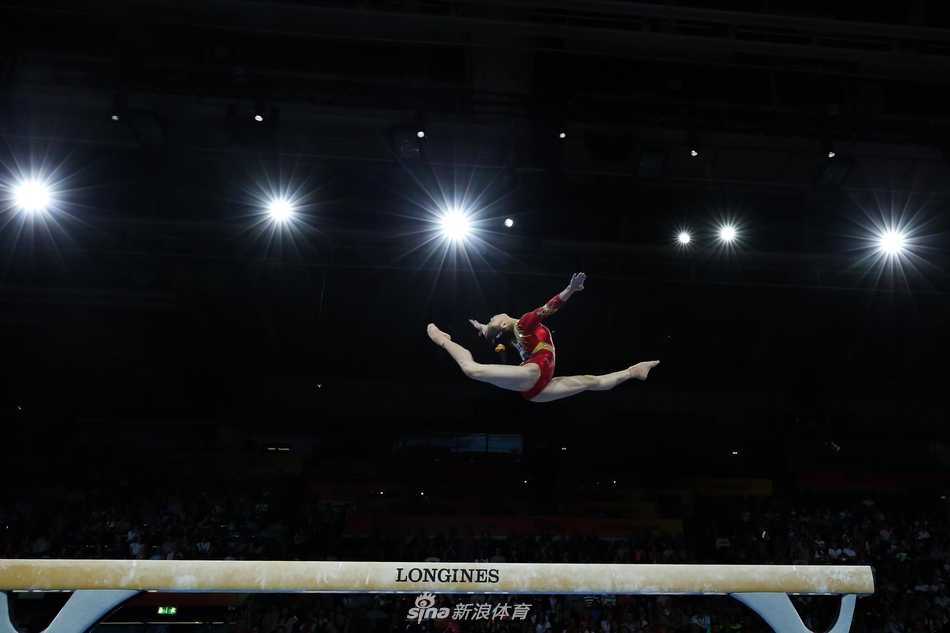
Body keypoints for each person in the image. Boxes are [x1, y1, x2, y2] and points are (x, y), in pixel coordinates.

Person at [426, 272, 658, 403]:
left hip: (540, 388)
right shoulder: (523, 324)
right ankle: (441, 338)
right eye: (495, 317)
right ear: (505, 323)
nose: (494, 315)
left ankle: (633, 370)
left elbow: (495, 331)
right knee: (472, 370)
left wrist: (486, 327)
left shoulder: (516, 331)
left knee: (592, 382)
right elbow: (548, 307)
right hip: (533, 374)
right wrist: (570, 290)